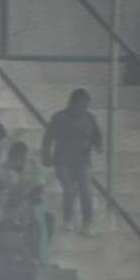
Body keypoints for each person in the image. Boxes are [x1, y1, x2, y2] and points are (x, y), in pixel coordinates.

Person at [41, 88, 102, 237]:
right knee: (69, 190)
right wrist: (46, 156)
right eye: (80, 105)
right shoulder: (59, 117)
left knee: (86, 191)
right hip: (63, 160)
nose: (83, 109)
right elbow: (48, 138)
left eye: (86, 106)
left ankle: (87, 224)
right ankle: (68, 219)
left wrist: (98, 144)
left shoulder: (90, 118)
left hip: (82, 161)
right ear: (72, 103)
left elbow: (97, 135)